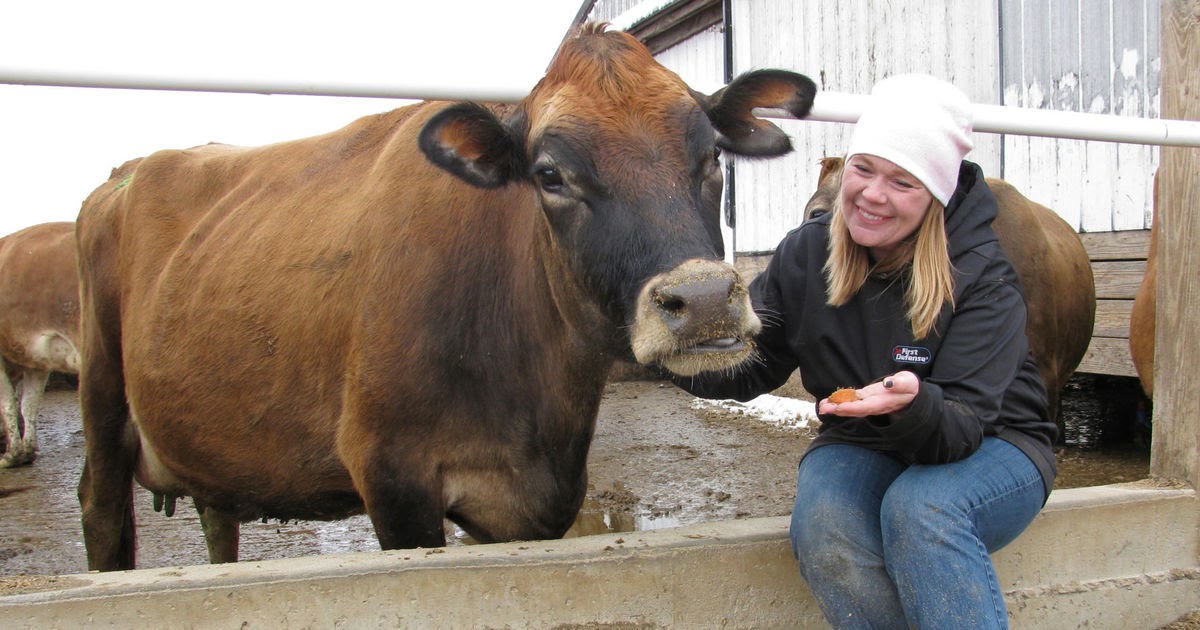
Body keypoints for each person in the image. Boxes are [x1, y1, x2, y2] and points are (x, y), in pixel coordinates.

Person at [673, 74, 1057, 629]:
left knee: (923, 511)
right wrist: (663, 351)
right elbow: (753, 363)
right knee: (825, 524)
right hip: (860, 437)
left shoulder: (980, 275)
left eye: (904, 182)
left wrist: (912, 404)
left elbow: (964, 424)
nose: (873, 195)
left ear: (936, 196)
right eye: (865, 168)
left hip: (995, 441)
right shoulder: (807, 254)